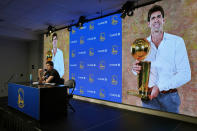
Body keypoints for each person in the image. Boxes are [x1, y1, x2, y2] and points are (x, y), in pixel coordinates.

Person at [131, 5, 191, 113]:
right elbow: (138, 69)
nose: (156, 20)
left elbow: (185, 74)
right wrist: (135, 69)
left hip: (170, 99)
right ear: (148, 23)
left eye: (159, 17)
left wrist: (159, 87)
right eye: (153, 18)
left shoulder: (177, 42)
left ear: (163, 20)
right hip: (148, 98)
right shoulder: (142, 44)